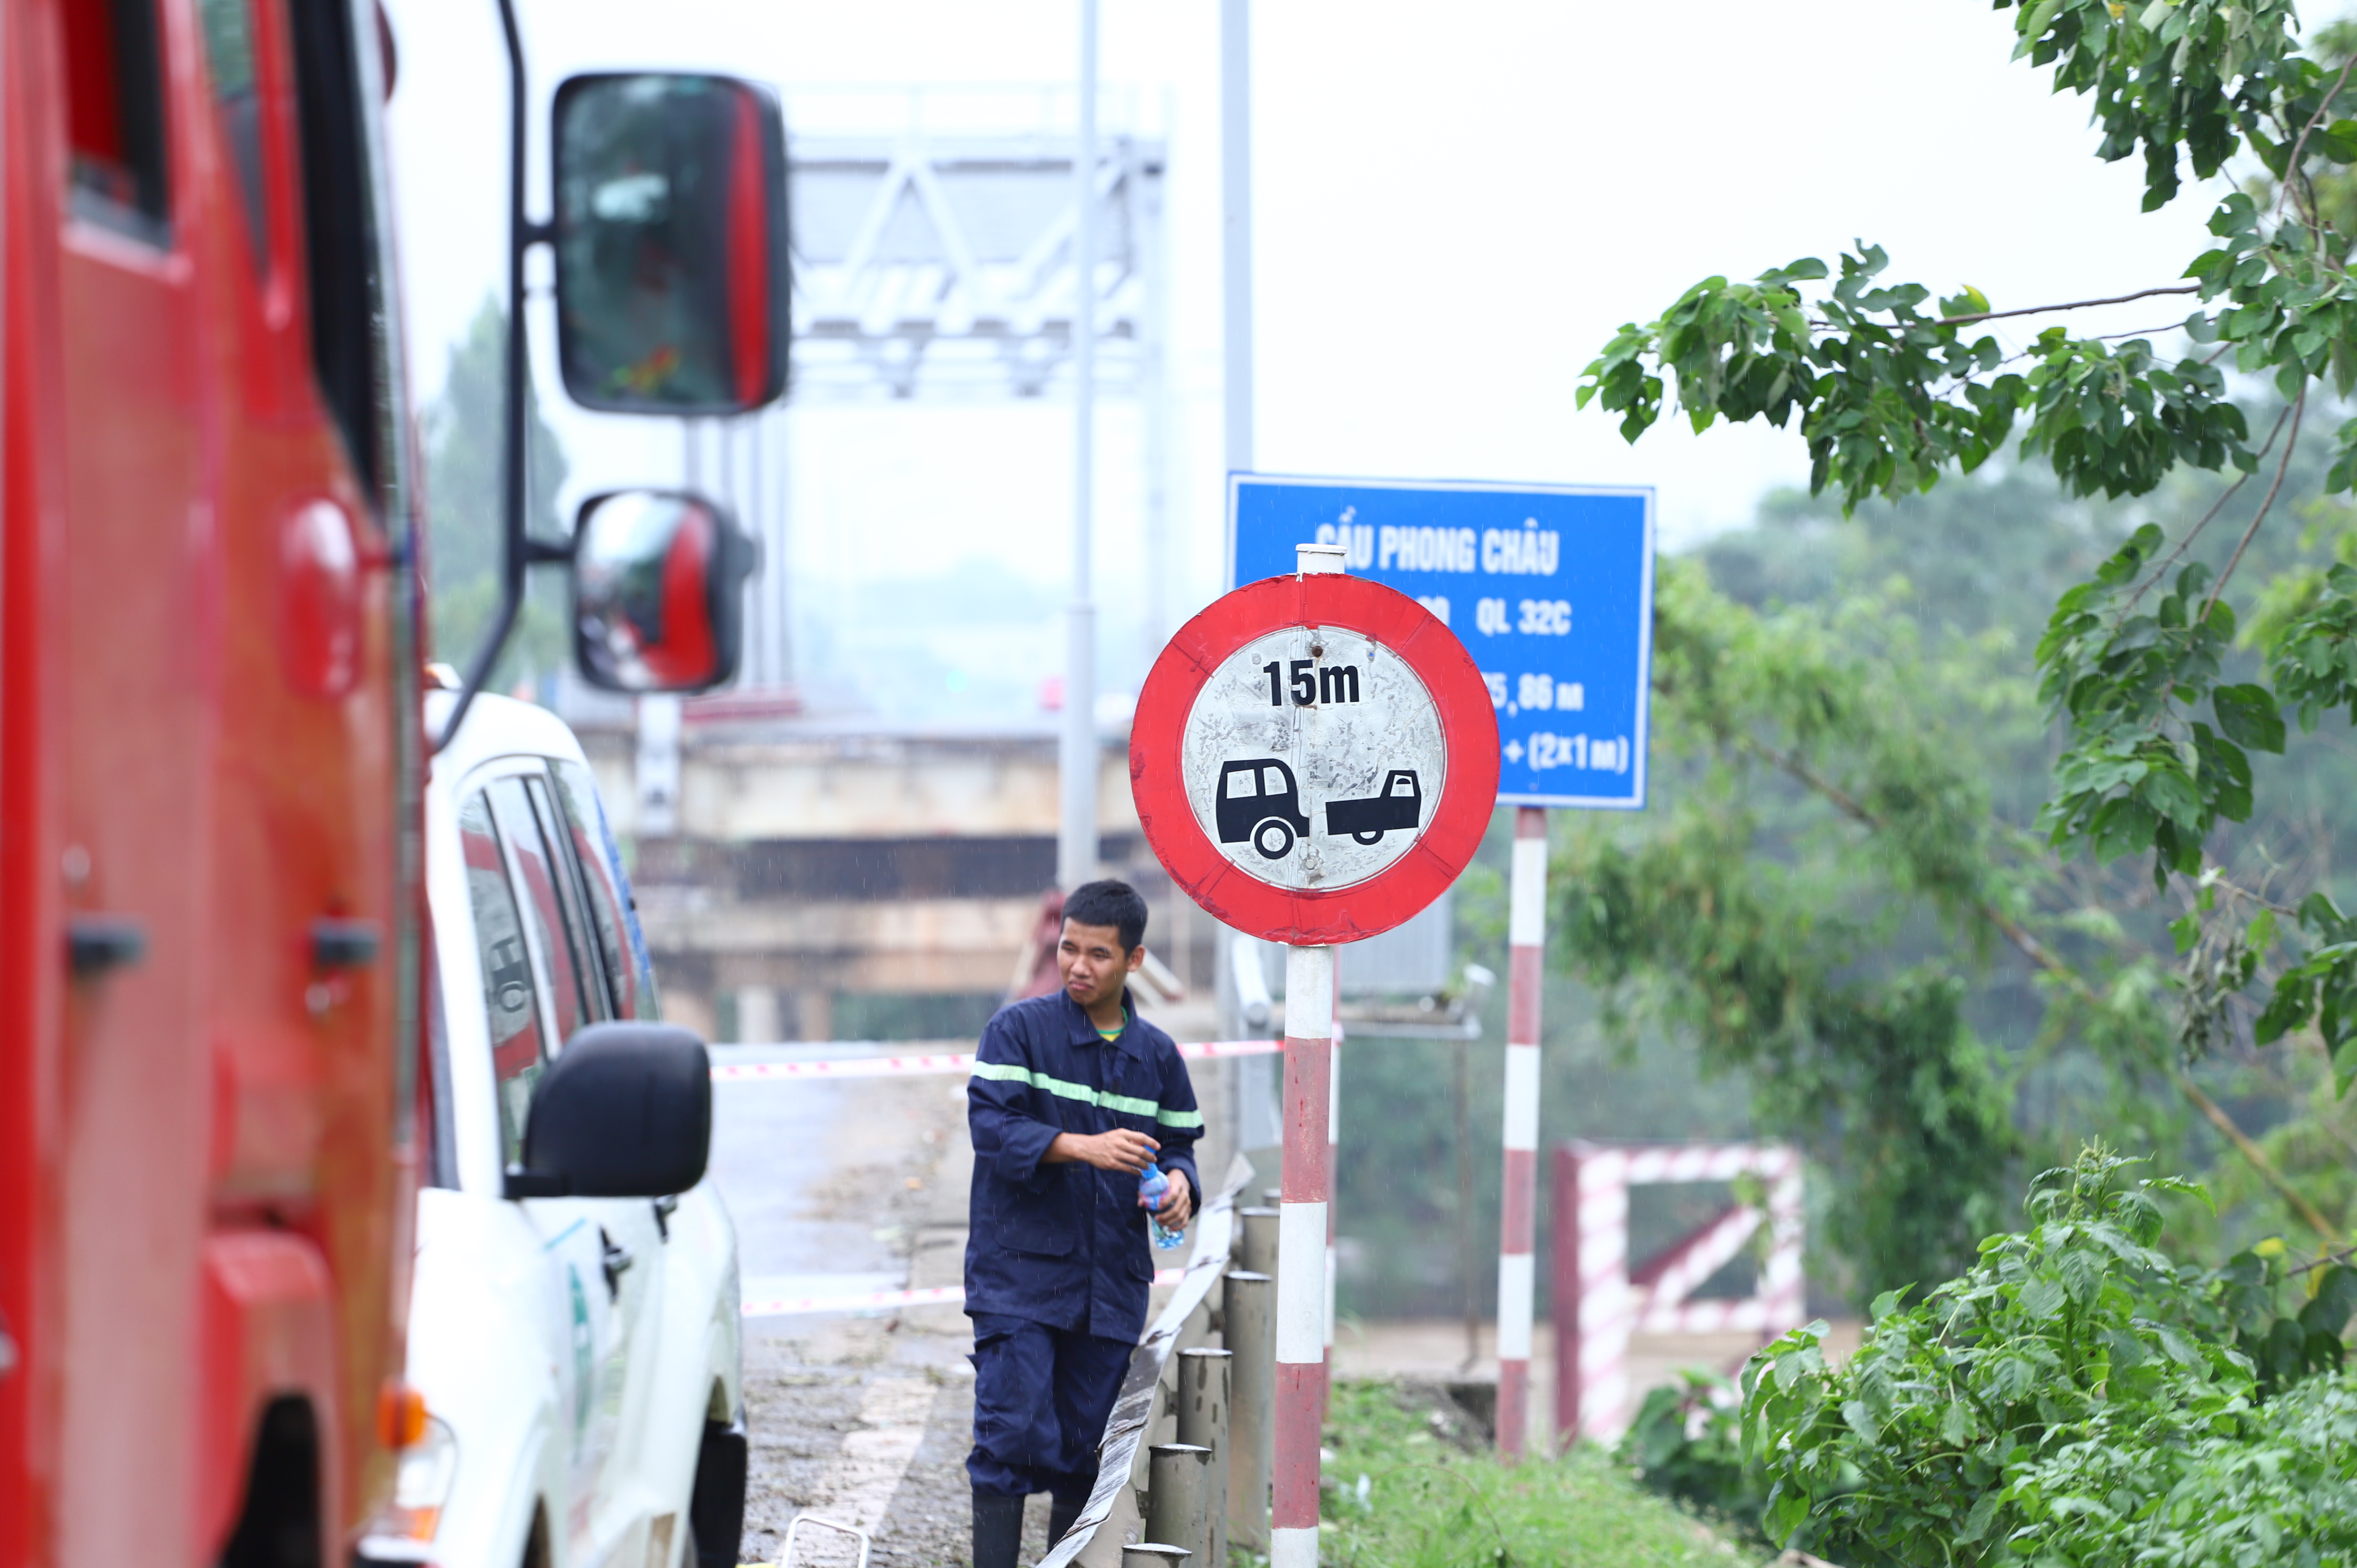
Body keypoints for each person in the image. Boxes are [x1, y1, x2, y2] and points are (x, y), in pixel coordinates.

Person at [964, 879, 1202, 1568]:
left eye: (1098, 953)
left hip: (1110, 1286)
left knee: (1082, 1451)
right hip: (1019, 1276)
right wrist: (1082, 1147)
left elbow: (1180, 1145)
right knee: (1007, 1434)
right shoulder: (1018, 1030)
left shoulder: (1157, 1057)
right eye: (1069, 947)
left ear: (1133, 960)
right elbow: (991, 1126)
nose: (1078, 965)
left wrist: (1180, 1185)